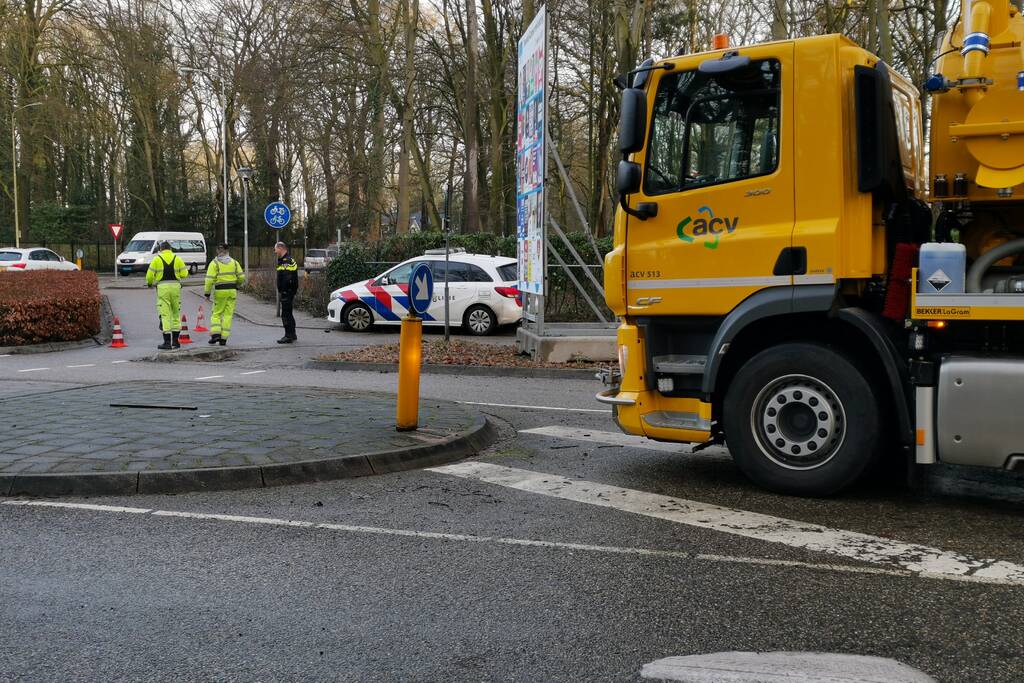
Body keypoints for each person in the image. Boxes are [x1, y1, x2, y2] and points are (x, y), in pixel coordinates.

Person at [145, 240, 189, 350]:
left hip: (163, 288)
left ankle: (167, 342)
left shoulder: (156, 259)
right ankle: (176, 342)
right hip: (175, 288)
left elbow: (149, 276)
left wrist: (150, 283)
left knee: (165, 314)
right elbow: (185, 274)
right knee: (175, 313)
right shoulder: (177, 259)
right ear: (170, 249)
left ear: (160, 249)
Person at [204, 243, 245, 346]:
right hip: (232, 291)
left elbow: (209, 280)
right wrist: (237, 285)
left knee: (217, 313)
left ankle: (215, 335)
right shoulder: (234, 263)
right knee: (228, 315)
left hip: (220, 291)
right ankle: (223, 339)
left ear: (218, 251)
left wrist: (207, 293)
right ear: (228, 251)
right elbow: (241, 277)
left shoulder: (214, 263)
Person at [274, 241, 299, 343]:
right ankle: (292, 334)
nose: (275, 251)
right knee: (289, 313)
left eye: (275, 249)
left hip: (287, 292)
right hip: (289, 291)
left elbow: (286, 278)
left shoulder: (286, 261)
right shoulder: (287, 259)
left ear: (280, 248)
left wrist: (283, 290)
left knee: (285, 314)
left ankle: (288, 335)